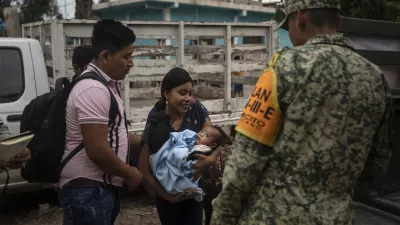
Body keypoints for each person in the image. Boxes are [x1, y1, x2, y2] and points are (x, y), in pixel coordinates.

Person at [211, 0, 392, 225]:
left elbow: (245, 162)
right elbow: (377, 163)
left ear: (300, 18)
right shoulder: (375, 78)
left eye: (289, 26)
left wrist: (222, 217)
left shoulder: (285, 67)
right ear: (339, 21)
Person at [57, 19, 142, 225]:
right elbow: (96, 149)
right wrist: (129, 173)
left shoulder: (106, 86)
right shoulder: (93, 89)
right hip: (87, 191)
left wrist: (150, 139)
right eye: (126, 57)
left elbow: (113, 135)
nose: (131, 63)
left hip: (95, 191)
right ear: (105, 56)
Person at [138, 67, 222, 225]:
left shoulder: (196, 110)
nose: (188, 98)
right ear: (166, 94)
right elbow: (143, 168)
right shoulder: (156, 118)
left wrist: (210, 159)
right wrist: (170, 197)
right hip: (166, 195)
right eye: (182, 93)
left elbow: (215, 140)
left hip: (194, 190)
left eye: (190, 93)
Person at [150, 126, 231, 202]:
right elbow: (178, 149)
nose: (201, 134)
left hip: (183, 177)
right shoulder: (190, 139)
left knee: (186, 185)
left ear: (212, 145)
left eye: (206, 135)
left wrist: (187, 160)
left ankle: (193, 190)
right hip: (170, 168)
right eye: (201, 131)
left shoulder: (203, 151)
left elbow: (191, 164)